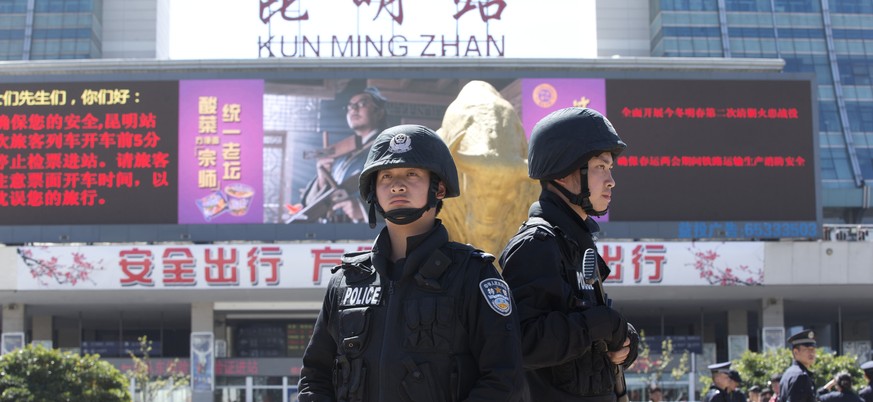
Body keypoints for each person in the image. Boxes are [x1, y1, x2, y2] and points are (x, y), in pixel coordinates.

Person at [297, 124, 527, 401]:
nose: (397, 184)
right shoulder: (345, 282)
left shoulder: (473, 275)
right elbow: (314, 377)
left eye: (412, 173)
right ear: (373, 191)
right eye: (386, 176)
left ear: (439, 188)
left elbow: (504, 379)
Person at [500, 107, 639, 402]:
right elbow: (521, 342)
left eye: (610, 168)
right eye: (601, 167)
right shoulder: (537, 244)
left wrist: (622, 339)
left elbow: (586, 341)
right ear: (564, 173)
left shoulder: (577, 241)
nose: (611, 180)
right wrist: (598, 324)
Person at [298, 87, 389, 223]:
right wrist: (322, 179)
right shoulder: (342, 157)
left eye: (362, 104)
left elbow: (404, 195)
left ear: (379, 113)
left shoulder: (390, 149)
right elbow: (312, 205)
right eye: (350, 106)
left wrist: (363, 209)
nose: (353, 109)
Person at [778, 329, 818, 402]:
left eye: (813, 349)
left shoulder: (789, 373)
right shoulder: (801, 376)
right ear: (796, 352)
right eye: (807, 349)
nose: (812, 353)